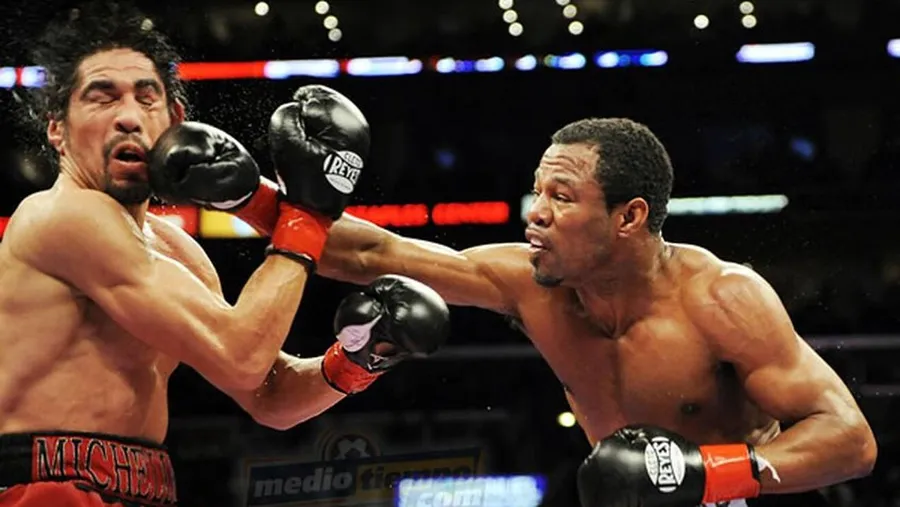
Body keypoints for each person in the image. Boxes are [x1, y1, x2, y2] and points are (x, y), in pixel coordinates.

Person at [221, 116, 877, 506]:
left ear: (629, 216)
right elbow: (371, 253)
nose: (535, 212)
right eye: (537, 191)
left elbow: (852, 440)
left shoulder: (723, 298)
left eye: (561, 196)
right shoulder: (529, 283)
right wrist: (246, 196)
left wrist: (706, 476)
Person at [0, 3, 449, 506]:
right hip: (43, 488)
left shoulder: (177, 251)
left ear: (174, 120)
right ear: (57, 128)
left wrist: (359, 358)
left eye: (146, 98)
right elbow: (241, 358)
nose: (128, 117)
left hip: (143, 487)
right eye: (101, 98)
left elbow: (269, 395)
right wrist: (307, 216)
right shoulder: (59, 216)